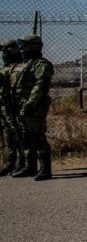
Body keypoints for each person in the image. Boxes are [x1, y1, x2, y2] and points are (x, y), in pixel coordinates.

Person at [9, 34, 54, 180]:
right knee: (25, 137)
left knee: (37, 137)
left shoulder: (41, 64)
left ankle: (45, 169)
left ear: (34, 47)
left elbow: (41, 86)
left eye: (24, 46)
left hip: (34, 106)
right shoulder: (23, 65)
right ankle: (30, 166)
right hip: (20, 106)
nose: (21, 50)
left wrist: (30, 104)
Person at [0, 39, 24, 176]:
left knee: (17, 134)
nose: (4, 54)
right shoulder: (5, 69)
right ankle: (10, 163)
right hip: (3, 105)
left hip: (14, 105)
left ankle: (22, 163)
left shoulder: (19, 68)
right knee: (7, 134)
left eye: (6, 51)